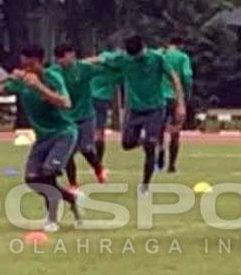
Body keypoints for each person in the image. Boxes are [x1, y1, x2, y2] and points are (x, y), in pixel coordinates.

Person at [0, 46, 80, 232]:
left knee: (48, 173)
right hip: (42, 137)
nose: (27, 69)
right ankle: (72, 198)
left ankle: (52, 219)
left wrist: (38, 86)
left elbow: (65, 102)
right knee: (32, 179)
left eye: (31, 65)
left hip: (63, 133)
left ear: (40, 62)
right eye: (24, 65)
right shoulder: (22, 81)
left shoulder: (51, 77)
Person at [91, 36, 185, 195]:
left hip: (155, 108)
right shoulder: (123, 59)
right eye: (132, 56)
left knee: (150, 147)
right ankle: (145, 141)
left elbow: (174, 77)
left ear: (144, 48)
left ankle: (145, 185)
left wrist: (180, 103)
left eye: (138, 55)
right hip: (134, 109)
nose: (135, 59)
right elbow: (100, 59)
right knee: (127, 143)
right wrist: (75, 63)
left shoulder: (157, 58)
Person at [54, 45, 107, 193]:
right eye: (60, 59)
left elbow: (104, 68)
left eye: (67, 56)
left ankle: (99, 169)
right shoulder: (55, 72)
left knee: (86, 148)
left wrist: (105, 61)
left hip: (85, 115)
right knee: (68, 152)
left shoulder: (83, 68)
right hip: (67, 118)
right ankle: (73, 184)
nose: (64, 61)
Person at [158, 37, 195, 173]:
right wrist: (186, 94)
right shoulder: (183, 57)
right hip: (175, 97)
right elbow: (187, 76)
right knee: (175, 131)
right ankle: (172, 165)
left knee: (158, 129)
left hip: (158, 96)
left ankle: (160, 153)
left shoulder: (160, 55)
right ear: (181, 45)